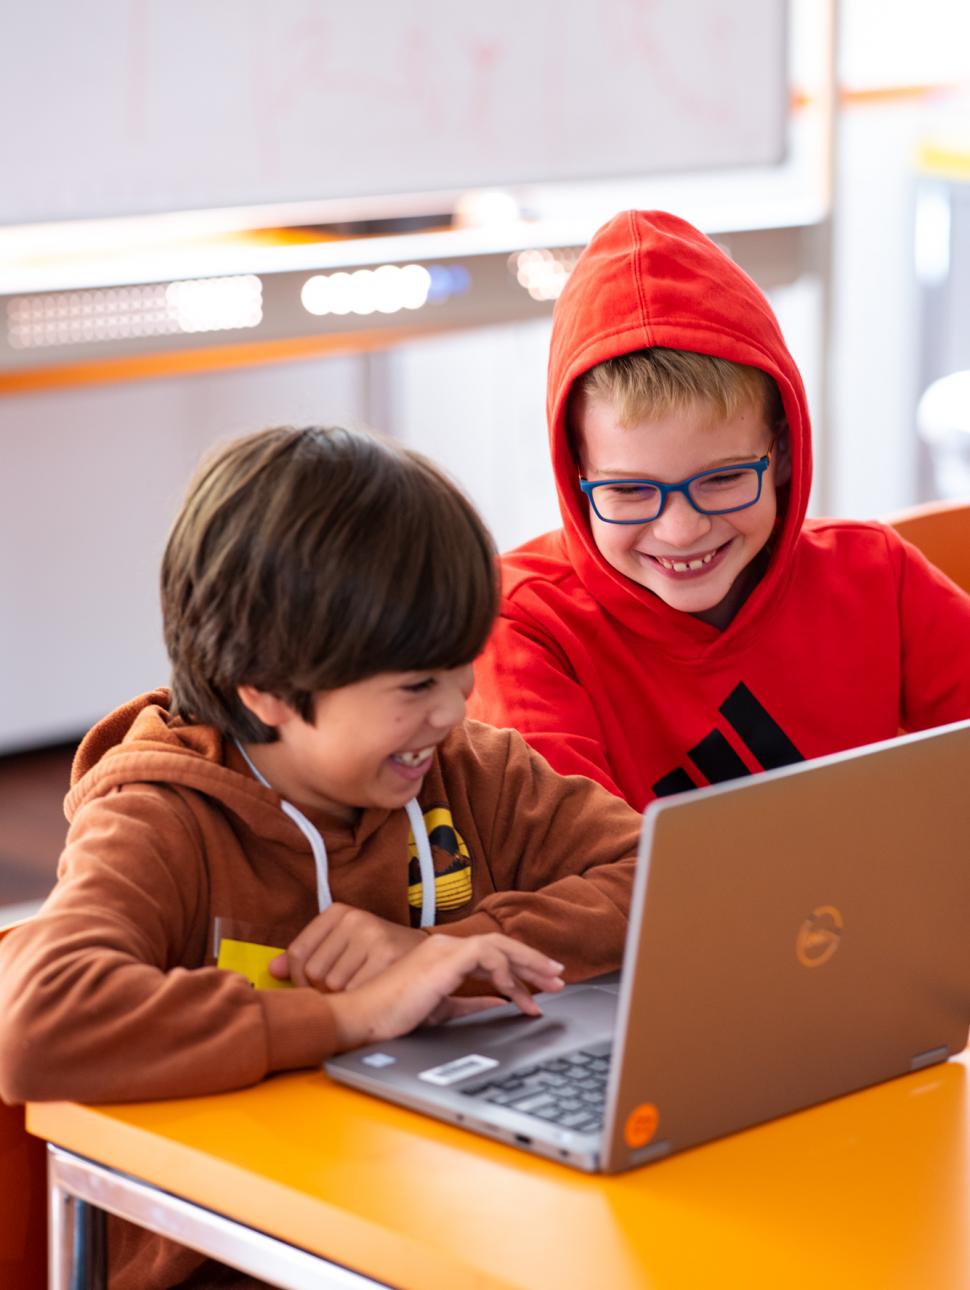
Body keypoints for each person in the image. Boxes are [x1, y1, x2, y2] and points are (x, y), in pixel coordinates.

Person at [0, 425, 640, 1290]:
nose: (454, 709)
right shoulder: (160, 817)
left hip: (446, 1215)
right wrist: (349, 1017)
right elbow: (38, 1020)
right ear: (262, 688)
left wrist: (442, 952)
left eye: (462, 669)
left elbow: (662, 877)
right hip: (233, 1255)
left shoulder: (467, 770)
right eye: (416, 686)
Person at [469, 209, 970, 808]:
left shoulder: (874, 574)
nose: (681, 530)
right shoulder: (522, 627)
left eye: (725, 478)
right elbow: (575, 874)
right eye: (629, 491)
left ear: (781, 451)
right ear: (574, 474)